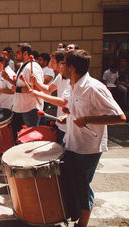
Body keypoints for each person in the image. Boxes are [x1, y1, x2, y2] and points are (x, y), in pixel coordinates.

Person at [30, 50, 126, 227]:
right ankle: (72, 215)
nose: (60, 66)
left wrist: (87, 120)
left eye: (63, 63)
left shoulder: (94, 87)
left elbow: (119, 117)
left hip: (88, 148)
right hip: (72, 142)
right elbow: (76, 109)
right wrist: (67, 116)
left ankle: (83, 223)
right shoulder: (73, 85)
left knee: (83, 186)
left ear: (71, 67)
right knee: (70, 181)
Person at [2, 43, 44, 135]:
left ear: (25, 53)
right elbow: (19, 84)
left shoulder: (33, 67)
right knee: (19, 137)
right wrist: (8, 79)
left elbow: (38, 88)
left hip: (30, 109)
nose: (15, 54)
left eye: (17, 52)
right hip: (21, 108)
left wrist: (17, 90)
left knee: (31, 138)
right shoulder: (24, 65)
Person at [29, 50, 69, 144]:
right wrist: (36, 82)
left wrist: (38, 94)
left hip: (68, 124)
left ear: (61, 63)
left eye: (53, 62)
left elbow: (63, 102)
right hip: (60, 121)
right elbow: (48, 89)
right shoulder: (60, 76)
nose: (50, 65)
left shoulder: (70, 80)